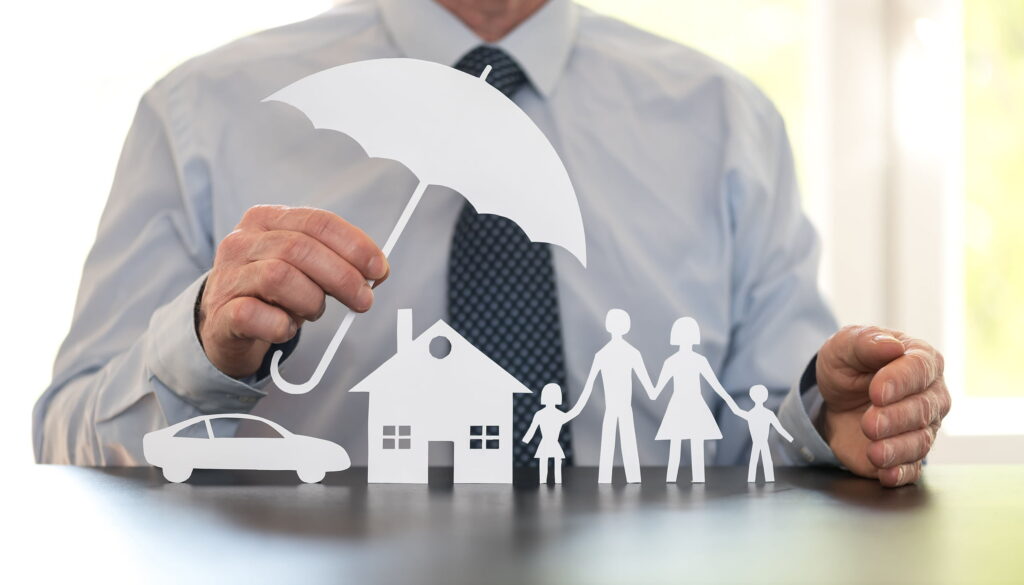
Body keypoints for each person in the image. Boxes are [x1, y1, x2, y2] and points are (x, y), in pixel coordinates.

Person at [33, 0, 950, 487]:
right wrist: (197, 343)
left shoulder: (726, 121)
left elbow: (775, 425)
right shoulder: (204, 112)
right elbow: (67, 441)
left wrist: (842, 420)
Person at [650, 317, 742, 483]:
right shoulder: (695, 360)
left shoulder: (673, 362)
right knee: (692, 445)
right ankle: (690, 480)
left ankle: (676, 480)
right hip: (689, 405)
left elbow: (655, 391)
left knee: (680, 446)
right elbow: (716, 386)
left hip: (685, 405)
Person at [567, 309, 654, 484]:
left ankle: (614, 479)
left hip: (615, 409)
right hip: (619, 409)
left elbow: (587, 388)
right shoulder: (630, 354)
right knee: (624, 444)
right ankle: (628, 479)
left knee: (610, 445)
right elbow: (651, 389)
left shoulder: (603, 355)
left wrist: (571, 413)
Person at [735, 384, 795, 483]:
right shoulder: (754, 414)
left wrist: (790, 438)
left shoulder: (761, 414)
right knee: (757, 461)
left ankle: (764, 479)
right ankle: (754, 479)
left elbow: (779, 428)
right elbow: (738, 412)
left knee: (763, 461)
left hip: (763, 442)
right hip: (758, 442)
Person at [522, 383, 576, 484]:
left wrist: (583, 399)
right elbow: (531, 430)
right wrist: (525, 441)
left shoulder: (558, 415)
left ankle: (557, 481)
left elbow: (574, 413)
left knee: (555, 463)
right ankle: (544, 480)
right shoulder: (540, 414)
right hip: (545, 443)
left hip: (554, 443)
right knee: (544, 463)